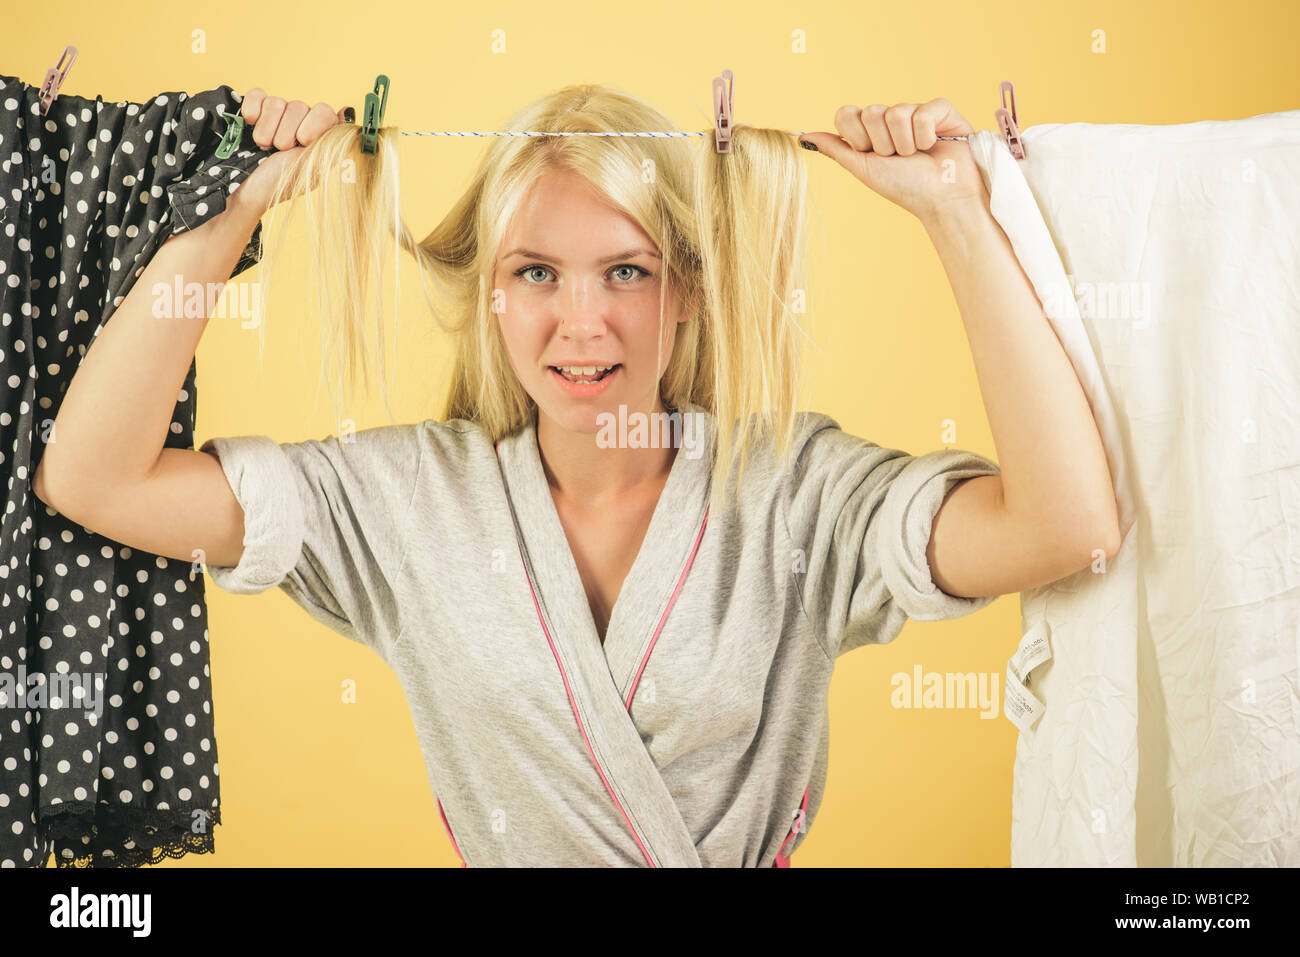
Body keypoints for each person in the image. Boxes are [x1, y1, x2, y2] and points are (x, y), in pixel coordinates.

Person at [33, 84, 1121, 867]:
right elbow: (96, 484)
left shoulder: (795, 493)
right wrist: (227, 214)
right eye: (536, 272)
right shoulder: (403, 503)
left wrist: (955, 216)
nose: (581, 322)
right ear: (491, 296)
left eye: (628, 272)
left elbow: (1066, 527)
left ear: (687, 292)